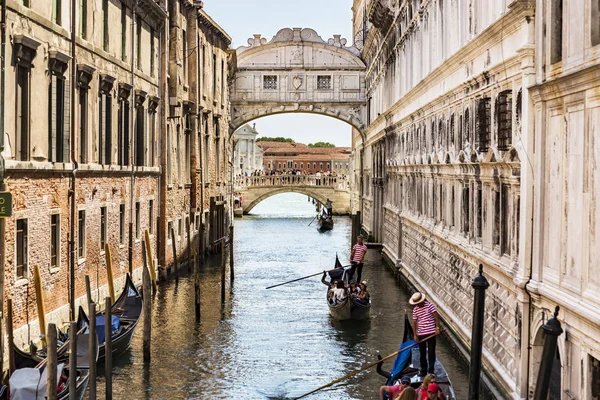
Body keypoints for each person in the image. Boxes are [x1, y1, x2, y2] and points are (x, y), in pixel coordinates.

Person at [410, 292, 440, 376]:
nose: (418, 304)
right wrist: (415, 335)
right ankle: (423, 370)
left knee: (431, 352)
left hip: (431, 333)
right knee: (422, 353)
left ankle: (431, 371)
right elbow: (414, 322)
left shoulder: (430, 305)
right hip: (421, 334)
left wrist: (437, 328)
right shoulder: (415, 309)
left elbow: (436, 316)